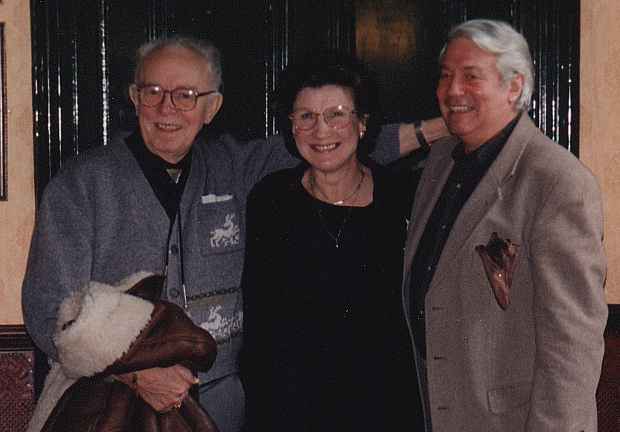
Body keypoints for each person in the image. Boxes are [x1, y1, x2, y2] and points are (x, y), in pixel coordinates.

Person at [21, 36, 447, 432]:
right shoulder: (81, 185)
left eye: (187, 95)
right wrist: (136, 375)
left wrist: (448, 125)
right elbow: (47, 311)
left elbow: (333, 144)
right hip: (116, 408)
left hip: (222, 413)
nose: (167, 108)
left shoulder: (233, 167)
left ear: (212, 107)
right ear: (134, 98)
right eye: (153, 92)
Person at [403, 19, 607, 431]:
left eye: (470, 76)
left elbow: (571, 345)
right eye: (445, 76)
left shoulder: (554, 180)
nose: (452, 90)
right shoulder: (439, 162)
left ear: (514, 87)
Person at [240, 53, 419, 431]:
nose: (321, 131)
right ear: (291, 126)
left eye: (336, 114)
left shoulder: (403, 198)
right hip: (292, 411)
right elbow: (260, 329)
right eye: (306, 116)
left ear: (362, 123)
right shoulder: (271, 201)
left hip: (385, 407)